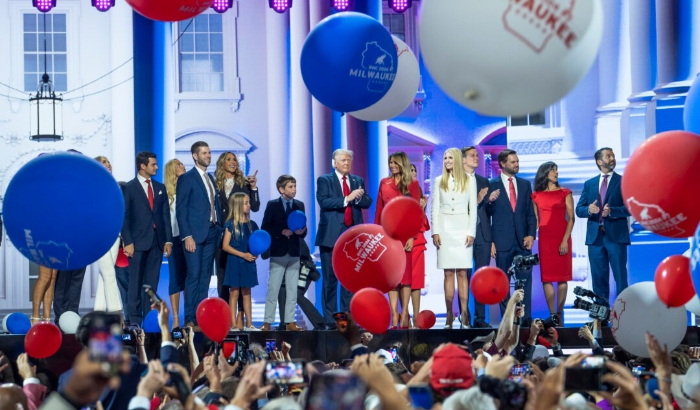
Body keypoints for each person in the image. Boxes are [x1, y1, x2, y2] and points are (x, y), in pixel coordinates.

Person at [315, 149, 372, 329]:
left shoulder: (357, 181)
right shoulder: (325, 180)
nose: (346, 163)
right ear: (334, 163)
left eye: (348, 160)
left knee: (349, 280)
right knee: (330, 280)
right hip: (330, 237)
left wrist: (358, 197)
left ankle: (347, 318)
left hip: (351, 239)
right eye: (343, 160)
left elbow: (367, 202)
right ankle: (331, 321)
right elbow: (324, 202)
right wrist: (347, 198)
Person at [485, 149, 537, 326]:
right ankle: (507, 319)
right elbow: (486, 215)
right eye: (513, 162)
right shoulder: (491, 185)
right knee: (503, 283)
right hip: (502, 241)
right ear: (503, 164)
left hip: (523, 241)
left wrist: (531, 234)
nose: (517, 164)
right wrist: (490, 241)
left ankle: (525, 320)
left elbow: (530, 213)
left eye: (517, 161)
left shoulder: (524, 184)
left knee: (525, 281)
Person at [121, 151, 173, 326]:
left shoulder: (160, 188)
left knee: (151, 284)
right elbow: (125, 216)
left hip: (157, 243)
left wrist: (167, 240)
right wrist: (127, 242)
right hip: (136, 243)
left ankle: (147, 320)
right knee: (135, 283)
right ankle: (134, 321)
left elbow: (165, 215)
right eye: (153, 164)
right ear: (143, 166)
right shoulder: (129, 188)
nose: (157, 167)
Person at [575, 148, 630, 307]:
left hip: (616, 237)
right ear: (599, 162)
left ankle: (623, 315)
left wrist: (612, 211)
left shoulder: (623, 181)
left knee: (620, 278)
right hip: (595, 238)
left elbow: (629, 207)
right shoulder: (589, 184)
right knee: (598, 279)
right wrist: (588, 210)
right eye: (608, 156)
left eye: (613, 155)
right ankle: (601, 317)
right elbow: (579, 209)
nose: (612, 158)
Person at [177, 141, 223, 328]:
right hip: (194, 235)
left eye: (210, 152)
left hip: (212, 232)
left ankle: (200, 317)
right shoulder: (187, 178)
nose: (209, 156)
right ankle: (189, 318)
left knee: (205, 276)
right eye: (204, 153)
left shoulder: (210, 178)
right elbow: (181, 210)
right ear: (195, 156)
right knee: (194, 275)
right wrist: (187, 236)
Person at [374, 152, 421, 329]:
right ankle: (394, 313)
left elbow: (416, 211)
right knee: (391, 276)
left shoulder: (413, 184)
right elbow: (379, 210)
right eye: (390, 163)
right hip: (387, 234)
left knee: (405, 276)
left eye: (395, 163)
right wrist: (377, 234)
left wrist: (412, 236)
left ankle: (405, 314)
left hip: (405, 233)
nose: (392, 165)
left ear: (403, 164)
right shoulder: (384, 183)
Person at [431, 148, 477, 329]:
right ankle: (450, 315)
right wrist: (435, 231)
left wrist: (471, 232)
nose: (447, 161)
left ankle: (464, 315)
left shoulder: (469, 180)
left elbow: (472, 208)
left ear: (457, 160)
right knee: (448, 273)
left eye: (450, 158)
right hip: (444, 229)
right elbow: (434, 208)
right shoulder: (438, 181)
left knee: (463, 273)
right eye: (445, 158)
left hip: (462, 228)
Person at [214, 152, 260, 329]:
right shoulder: (214, 184)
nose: (232, 162)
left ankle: (241, 320)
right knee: (224, 279)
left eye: (234, 160)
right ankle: (227, 319)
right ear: (221, 163)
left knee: (244, 286)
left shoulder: (243, 184)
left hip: (240, 233)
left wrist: (254, 188)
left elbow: (254, 206)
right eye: (228, 159)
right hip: (221, 234)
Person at [260, 175, 307, 331]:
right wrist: (280, 232)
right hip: (278, 252)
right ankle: (267, 322)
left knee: (292, 289)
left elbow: (303, 229)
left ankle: (290, 322)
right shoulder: (272, 205)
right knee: (273, 287)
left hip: (294, 252)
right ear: (281, 189)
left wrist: (302, 231)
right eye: (290, 187)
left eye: (295, 186)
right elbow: (265, 227)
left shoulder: (299, 205)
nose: (294, 189)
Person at [532, 161, 574, 326]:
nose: (556, 173)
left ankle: (559, 312)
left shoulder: (565, 192)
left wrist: (564, 240)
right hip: (545, 239)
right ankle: (553, 316)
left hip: (562, 237)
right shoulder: (536, 195)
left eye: (557, 170)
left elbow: (571, 218)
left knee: (562, 278)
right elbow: (535, 220)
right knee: (547, 278)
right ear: (545, 173)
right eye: (552, 170)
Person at [461, 146, 493, 328]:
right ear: (463, 160)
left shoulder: (483, 180)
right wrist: (478, 199)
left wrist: (489, 201)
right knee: (463, 276)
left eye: (477, 155)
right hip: (463, 235)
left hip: (483, 235)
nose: (476, 158)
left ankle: (480, 319)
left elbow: (487, 212)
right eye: (472, 155)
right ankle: (464, 317)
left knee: (482, 278)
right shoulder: (456, 181)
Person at [221, 193, 260, 331]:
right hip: (234, 261)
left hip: (248, 262)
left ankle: (249, 324)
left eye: (248, 202)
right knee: (234, 292)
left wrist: (255, 254)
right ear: (238, 205)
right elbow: (225, 246)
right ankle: (232, 324)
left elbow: (257, 243)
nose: (249, 205)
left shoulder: (252, 225)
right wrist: (243, 255)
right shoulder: (231, 224)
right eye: (246, 203)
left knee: (247, 292)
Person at [93, 156, 123, 315]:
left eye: (108, 162)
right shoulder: (93, 187)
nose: (108, 164)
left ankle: (97, 313)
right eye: (103, 163)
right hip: (100, 235)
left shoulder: (115, 186)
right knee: (109, 274)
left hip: (115, 234)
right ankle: (115, 312)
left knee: (104, 274)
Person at [164, 158, 187, 329]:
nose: (182, 166)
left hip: (189, 237)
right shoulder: (166, 194)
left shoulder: (188, 189)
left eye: (182, 164)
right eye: (178, 165)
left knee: (189, 278)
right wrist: (167, 241)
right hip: (174, 239)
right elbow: (165, 221)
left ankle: (189, 317)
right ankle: (176, 319)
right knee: (175, 278)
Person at [409, 163, 429, 328]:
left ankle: (416, 315)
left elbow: (423, 221)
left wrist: (422, 208)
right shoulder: (399, 191)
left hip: (418, 242)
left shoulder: (420, 193)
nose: (414, 172)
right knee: (404, 282)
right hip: (403, 241)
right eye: (410, 170)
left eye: (415, 170)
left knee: (416, 281)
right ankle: (404, 316)